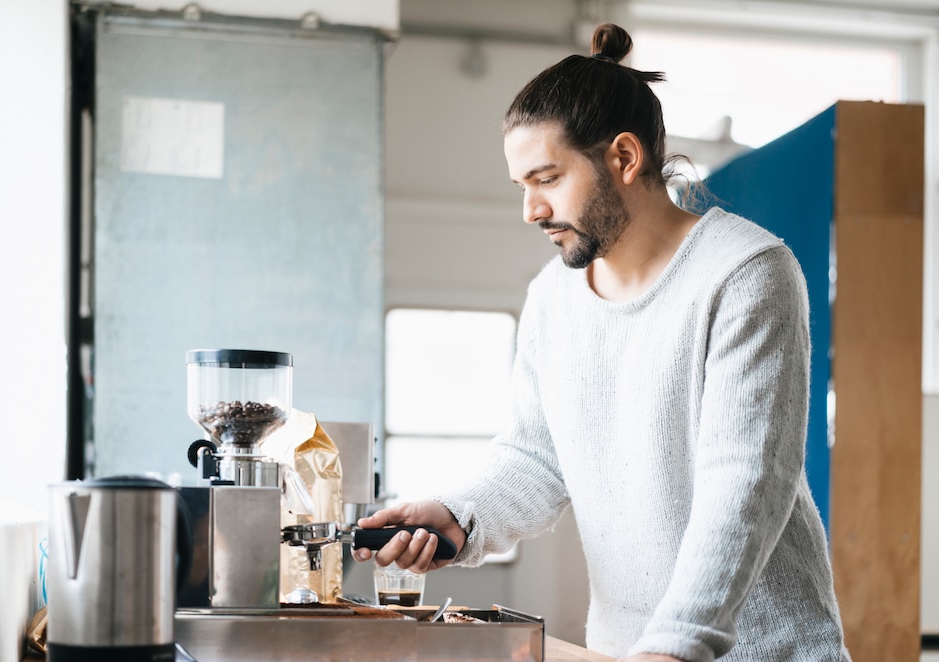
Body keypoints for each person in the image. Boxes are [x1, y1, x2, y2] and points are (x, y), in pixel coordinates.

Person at [353, 23, 851, 662]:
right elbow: (536, 458)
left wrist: (672, 648)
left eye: (547, 178)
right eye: (521, 186)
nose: (530, 210)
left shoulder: (745, 272)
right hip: (626, 651)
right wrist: (458, 515)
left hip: (757, 653)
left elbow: (746, 486)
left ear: (623, 157)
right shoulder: (553, 299)